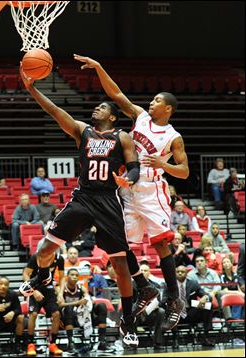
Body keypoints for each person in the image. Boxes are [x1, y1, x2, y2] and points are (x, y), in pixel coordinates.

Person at [20, 65, 144, 348]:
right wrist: (32, 89)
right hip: (84, 196)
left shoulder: (121, 136)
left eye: (101, 107)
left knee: (120, 264)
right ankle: (42, 274)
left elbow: (134, 167)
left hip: (108, 200)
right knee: (44, 249)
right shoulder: (82, 131)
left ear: (111, 116)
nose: (95, 110)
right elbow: (54, 111)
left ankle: (128, 320)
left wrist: (128, 179)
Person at [73, 54, 189, 331]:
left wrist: (164, 164)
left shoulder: (173, 136)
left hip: (152, 189)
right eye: (153, 100)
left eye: (158, 100)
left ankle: (174, 299)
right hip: (126, 188)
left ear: (169, 108)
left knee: (161, 243)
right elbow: (116, 93)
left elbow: (184, 171)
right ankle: (146, 288)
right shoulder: (141, 117)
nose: (152, 102)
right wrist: (100, 67)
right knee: (119, 246)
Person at [21, 244, 65, 356]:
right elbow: (26, 274)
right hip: (35, 288)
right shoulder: (36, 256)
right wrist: (33, 291)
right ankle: (31, 344)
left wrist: (60, 293)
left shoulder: (59, 258)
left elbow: (62, 276)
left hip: (49, 289)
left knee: (56, 314)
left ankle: (53, 344)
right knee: (33, 314)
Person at [59, 268, 112, 354]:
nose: (74, 277)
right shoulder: (61, 288)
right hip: (68, 319)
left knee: (102, 306)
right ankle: (70, 343)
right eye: (72, 275)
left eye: (76, 275)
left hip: (83, 317)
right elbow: (60, 305)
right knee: (69, 309)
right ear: (66, 277)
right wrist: (77, 302)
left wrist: (88, 300)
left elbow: (87, 299)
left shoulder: (82, 288)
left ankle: (102, 342)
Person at [170, 265, 215, 347]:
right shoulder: (170, 285)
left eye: (182, 272)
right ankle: (175, 339)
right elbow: (164, 300)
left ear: (186, 273)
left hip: (191, 310)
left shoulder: (193, 283)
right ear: (175, 273)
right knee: (171, 310)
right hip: (176, 312)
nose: (180, 273)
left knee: (208, 305)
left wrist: (205, 297)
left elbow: (206, 295)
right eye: (178, 272)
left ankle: (206, 336)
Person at [0, 276, 24, 355]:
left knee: (21, 317)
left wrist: (12, 313)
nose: (3, 286)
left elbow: (19, 310)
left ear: (8, 286)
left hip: (9, 322)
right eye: (1, 284)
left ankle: (17, 344)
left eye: (5, 284)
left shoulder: (13, 294)